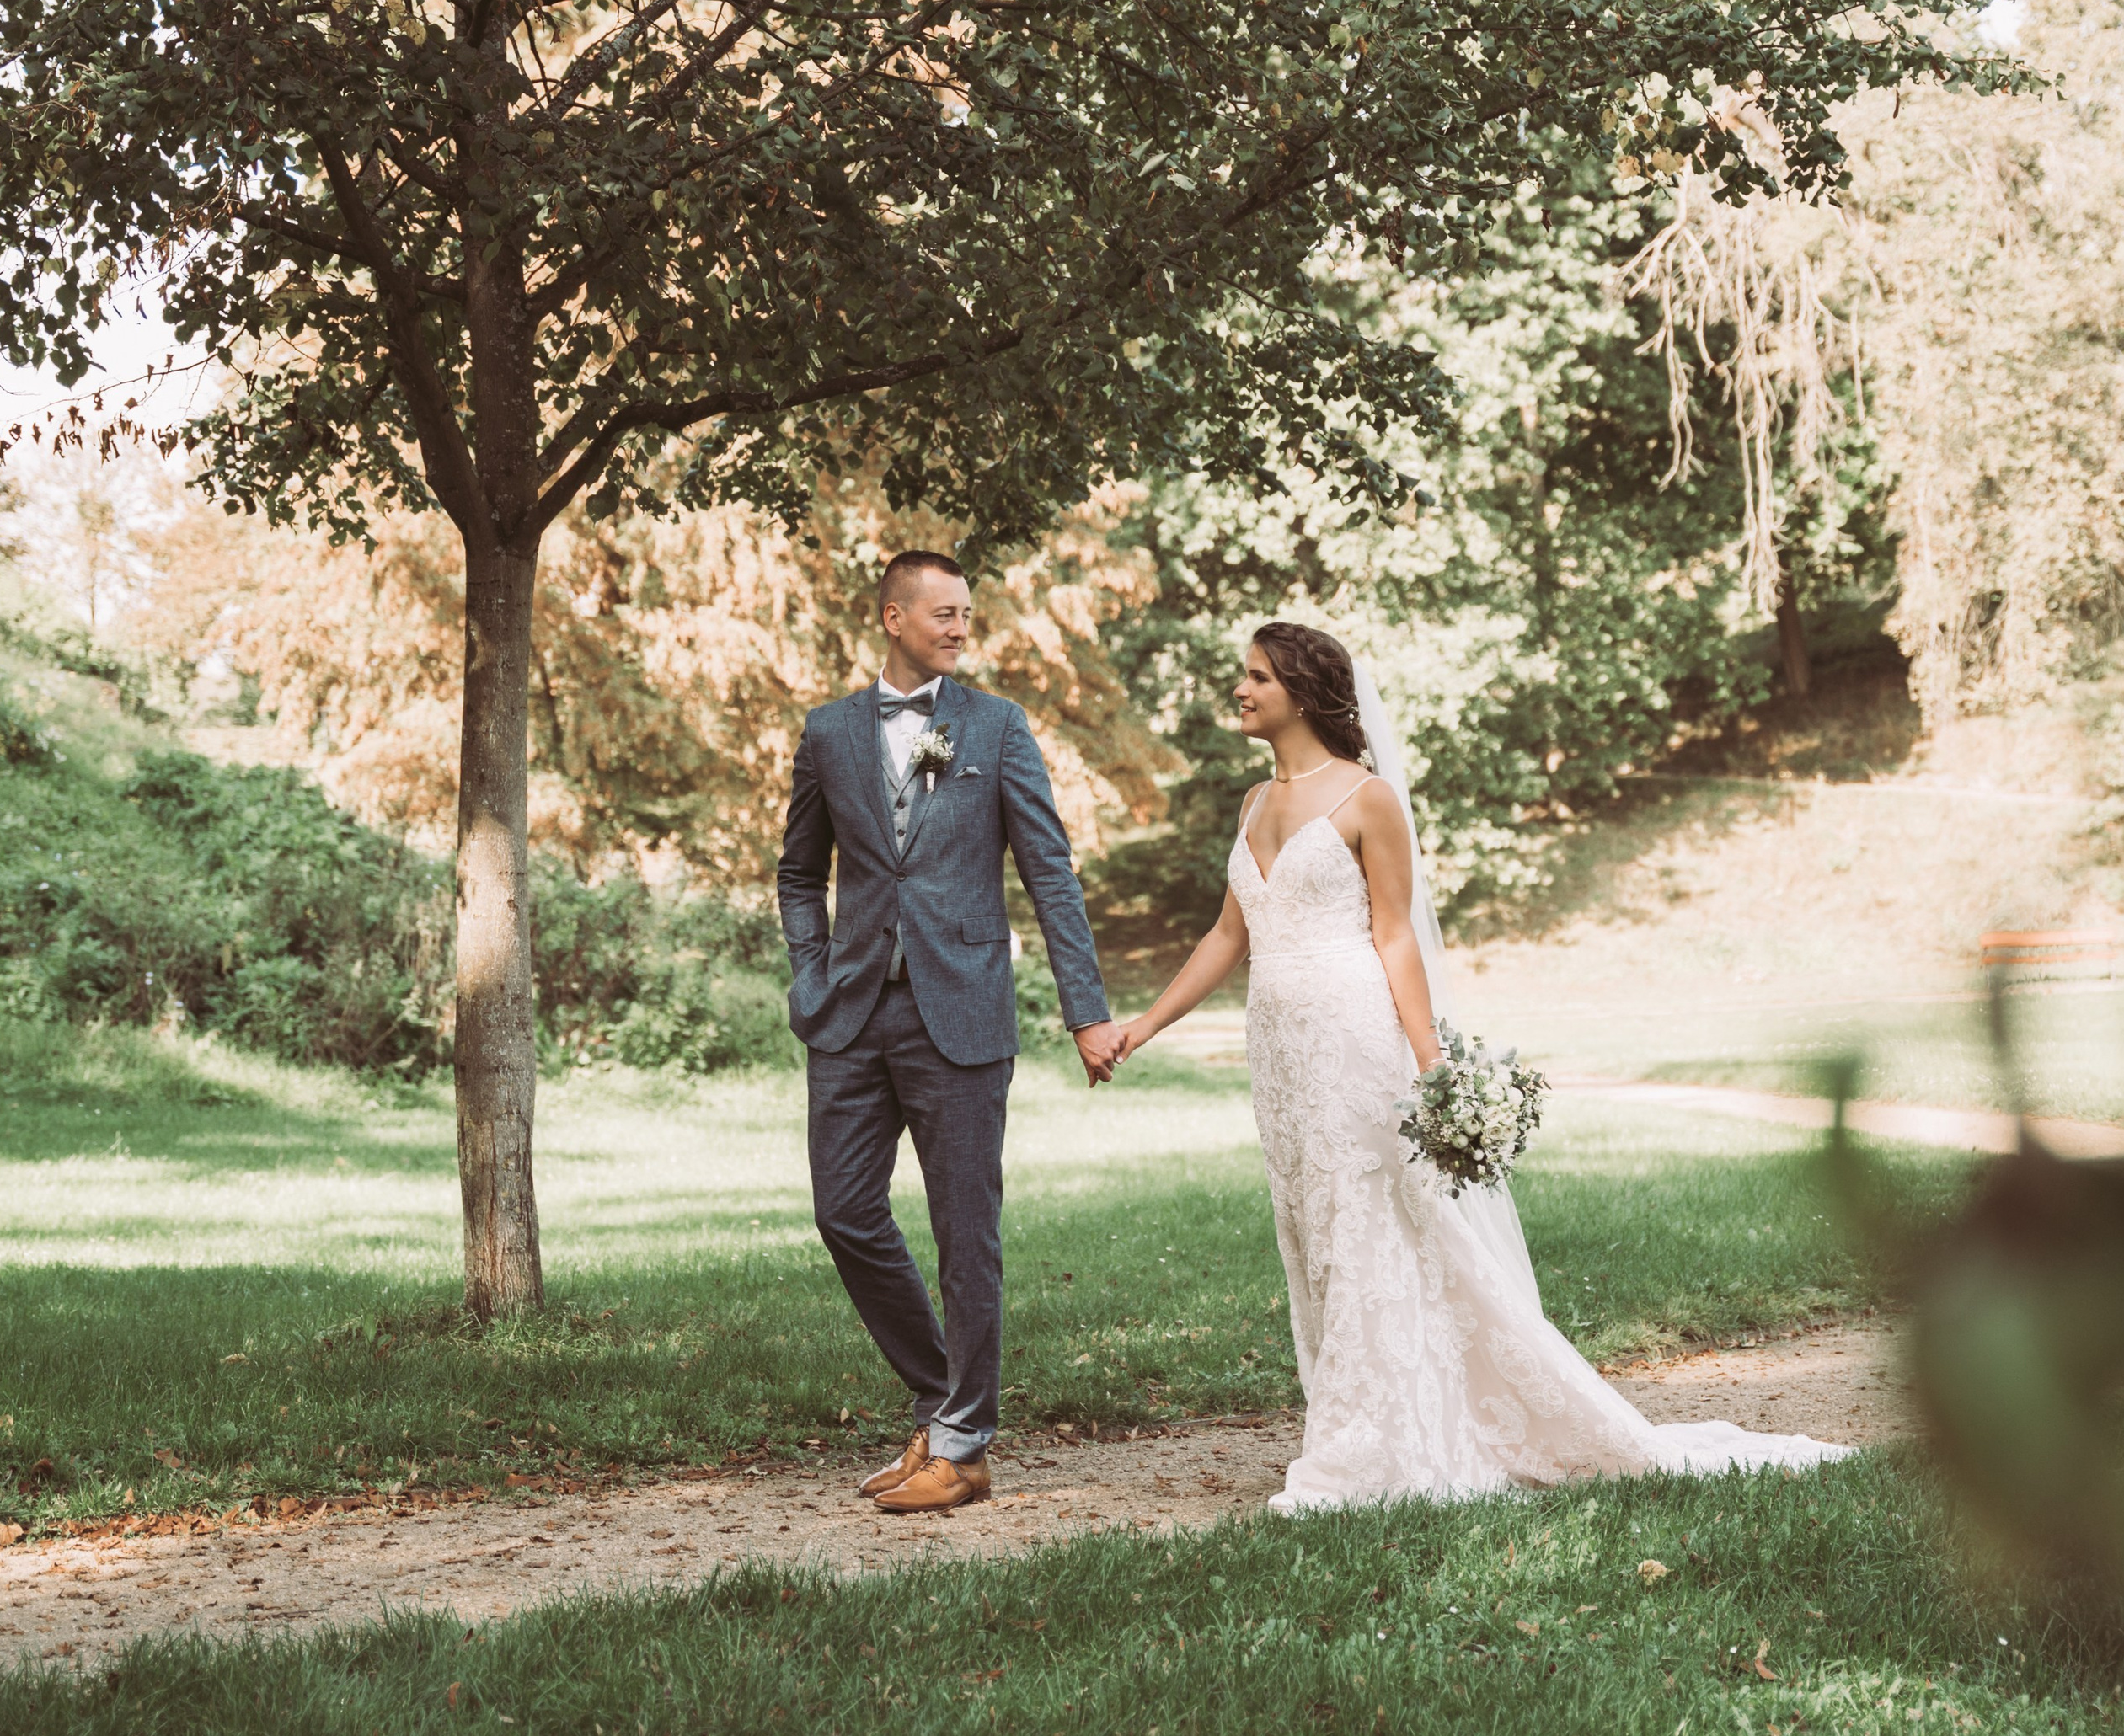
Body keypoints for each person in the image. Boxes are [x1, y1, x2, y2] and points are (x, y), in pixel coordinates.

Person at [1116, 620, 1850, 1512]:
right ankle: (1349, 1417)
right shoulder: (1249, 804)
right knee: (1311, 1227)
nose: (1240, 689)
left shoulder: (1366, 797)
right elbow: (1229, 935)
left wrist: (1435, 1071)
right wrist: (1142, 1026)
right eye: (1244, 675)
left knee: (1370, 1227)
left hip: (1354, 1036)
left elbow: (1393, 934)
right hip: (1276, 1052)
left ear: (1301, 692)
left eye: (1257, 677)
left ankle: (1377, 1443)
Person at [777, 549, 1127, 1514]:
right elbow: (799, 871)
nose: (961, 626)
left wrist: (1085, 1009)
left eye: (967, 613)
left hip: (963, 1010)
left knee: (966, 1233)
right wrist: (811, 971)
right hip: (850, 1013)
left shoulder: (996, 727)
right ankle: (947, 1404)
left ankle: (963, 1441)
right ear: (892, 617)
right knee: (844, 1212)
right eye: (942, 612)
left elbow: (1049, 873)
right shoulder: (830, 733)